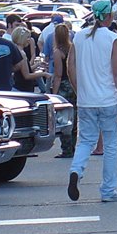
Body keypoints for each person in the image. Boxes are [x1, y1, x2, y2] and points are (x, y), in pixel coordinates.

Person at [67, 0, 117, 203]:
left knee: (85, 141)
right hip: (107, 98)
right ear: (109, 16)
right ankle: (108, 189)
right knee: (110, 145)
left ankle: (76, 170)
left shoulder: (78, 37)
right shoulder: (113, 38)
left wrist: (79, 90)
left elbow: (71, 67)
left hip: (86, 100)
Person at [51, 23, 77, 158]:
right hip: (74, 83)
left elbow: (58, 74)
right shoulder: (73, 48)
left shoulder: (57, 52)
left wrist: (53, 94)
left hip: (64, 86)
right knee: (74, 117)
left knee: (64, 118)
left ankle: (67, 149)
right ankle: (73, 146)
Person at [10, 25, 49, 92]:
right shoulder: (22, 53)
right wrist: (44, 74)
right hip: (22, 89)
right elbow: (27, 75)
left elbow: (25, 70)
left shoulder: (16, 50)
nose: (30, 40)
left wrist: (38, 64)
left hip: (20, 87)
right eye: (28, 37)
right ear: (22, 38)